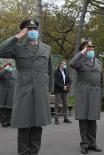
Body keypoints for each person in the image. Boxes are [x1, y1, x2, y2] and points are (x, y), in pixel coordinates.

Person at [0, 19, 53, 155]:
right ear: (24, 31)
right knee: (24, 125)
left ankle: (34, 152)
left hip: (40, 91)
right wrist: (18, 37)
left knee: (37, 125)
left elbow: (50, 69)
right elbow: (1, 50)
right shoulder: (17, 48)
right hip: (24, 91)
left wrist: (50, 89)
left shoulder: (46, 48)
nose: (32, 31)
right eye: (29, 29)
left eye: (34, 28)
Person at [70, 41, 104, 154]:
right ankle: (84, 144)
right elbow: (72, 63)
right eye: (87, 47)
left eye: (91, 47)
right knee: (84, 120)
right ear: (83, 50)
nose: (90, 49)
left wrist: (101, 94)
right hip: (83, 93)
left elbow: (101, 80)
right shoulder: (80, 61)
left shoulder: (99, 62)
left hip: (95, 93)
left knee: (93, 120)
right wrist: (82, 52)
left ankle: (92, 143)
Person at [54, 60, 72, 124]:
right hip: (58, 90)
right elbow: (55, 82)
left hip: (65, 90)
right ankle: (56, 119)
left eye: (65, 64)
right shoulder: (56, 72)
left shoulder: (66, 72)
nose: (65, 65)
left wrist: (66, 86)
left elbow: (70, 80)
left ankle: (65, 118)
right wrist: (62, 86)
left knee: (65, 104)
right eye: (64, 64)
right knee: (57, 104)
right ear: (60, 64)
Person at [0, 62, 16, 127]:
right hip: (3, 92)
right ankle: (3, 121)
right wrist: (4, 70)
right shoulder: (2, 72)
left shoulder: (14, 72)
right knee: (3, 107)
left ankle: (9, 121)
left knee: (10, 108)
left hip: (11, 92)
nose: (9, 67)